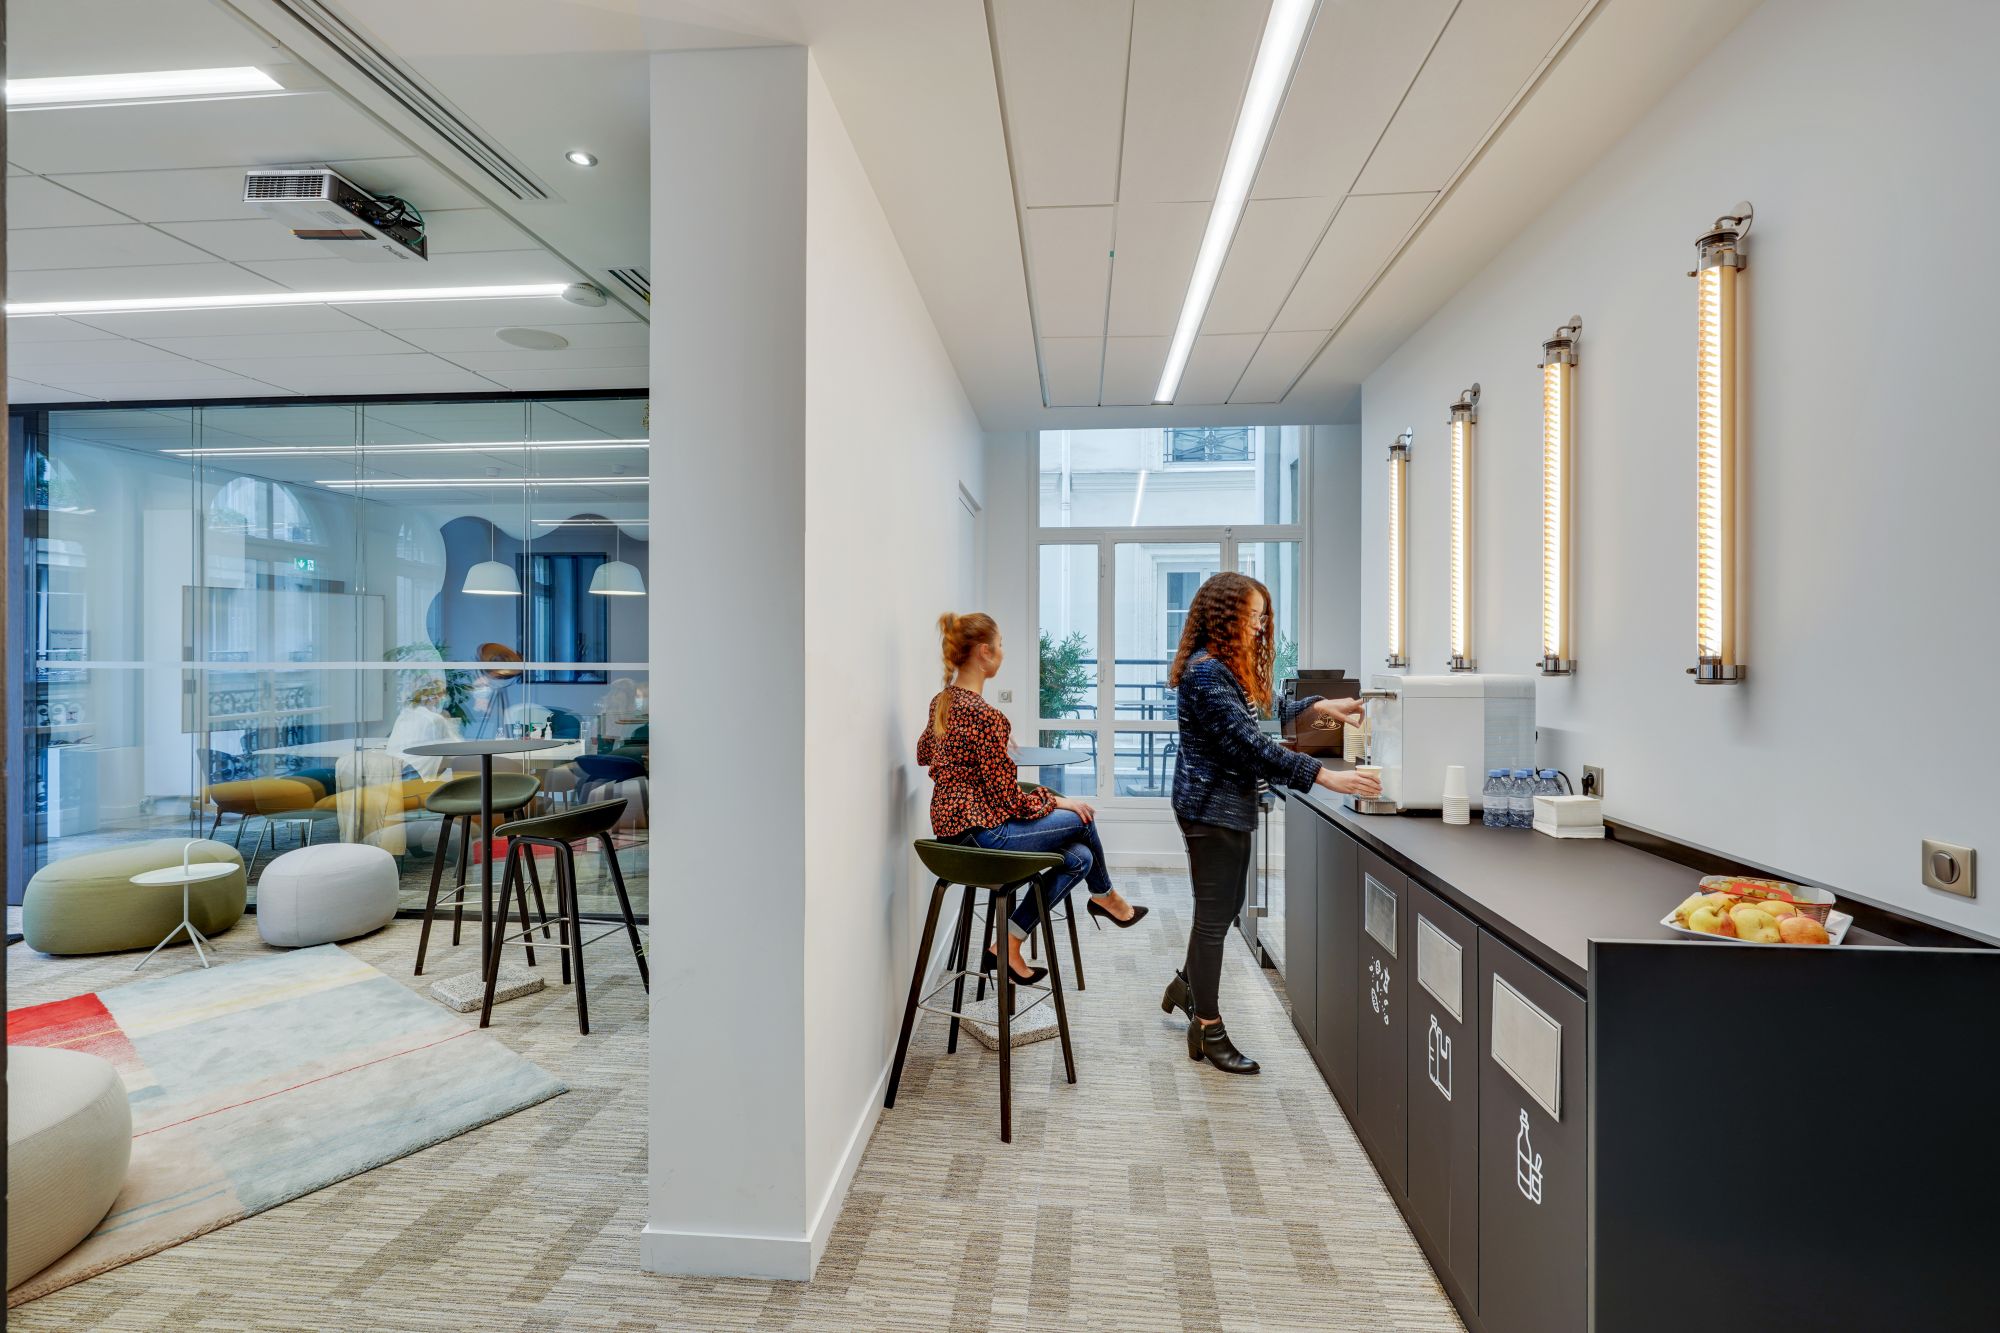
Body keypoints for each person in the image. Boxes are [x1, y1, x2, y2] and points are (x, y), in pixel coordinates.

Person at [1163, 573, 1379, 1074]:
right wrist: (1324, 776)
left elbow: (1261, 707)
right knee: (1214, 918)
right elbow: (1248, 743)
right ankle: (1208, 1028)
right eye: (1253, 617)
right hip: (1210, 810)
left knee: (1220, 910)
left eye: (1263, 617)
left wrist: (1319, 705)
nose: (1260, 627)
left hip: (1221, 806)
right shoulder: (1206, 674)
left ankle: (1187, 986)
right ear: (1226, 617)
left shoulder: (1221, 669)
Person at [917, 612, 1146, 984]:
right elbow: (1010, 800)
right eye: (1001, 645)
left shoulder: (942, 702)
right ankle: (1105, 896)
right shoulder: (986, 716)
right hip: (984, 837)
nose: (1003, 652)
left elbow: (924, 752)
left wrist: (989, 746)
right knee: (1083, 817)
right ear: (985, 652)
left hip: (951, 835)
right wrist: (1057, 801)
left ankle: (1009, 943)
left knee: (1081, 858)